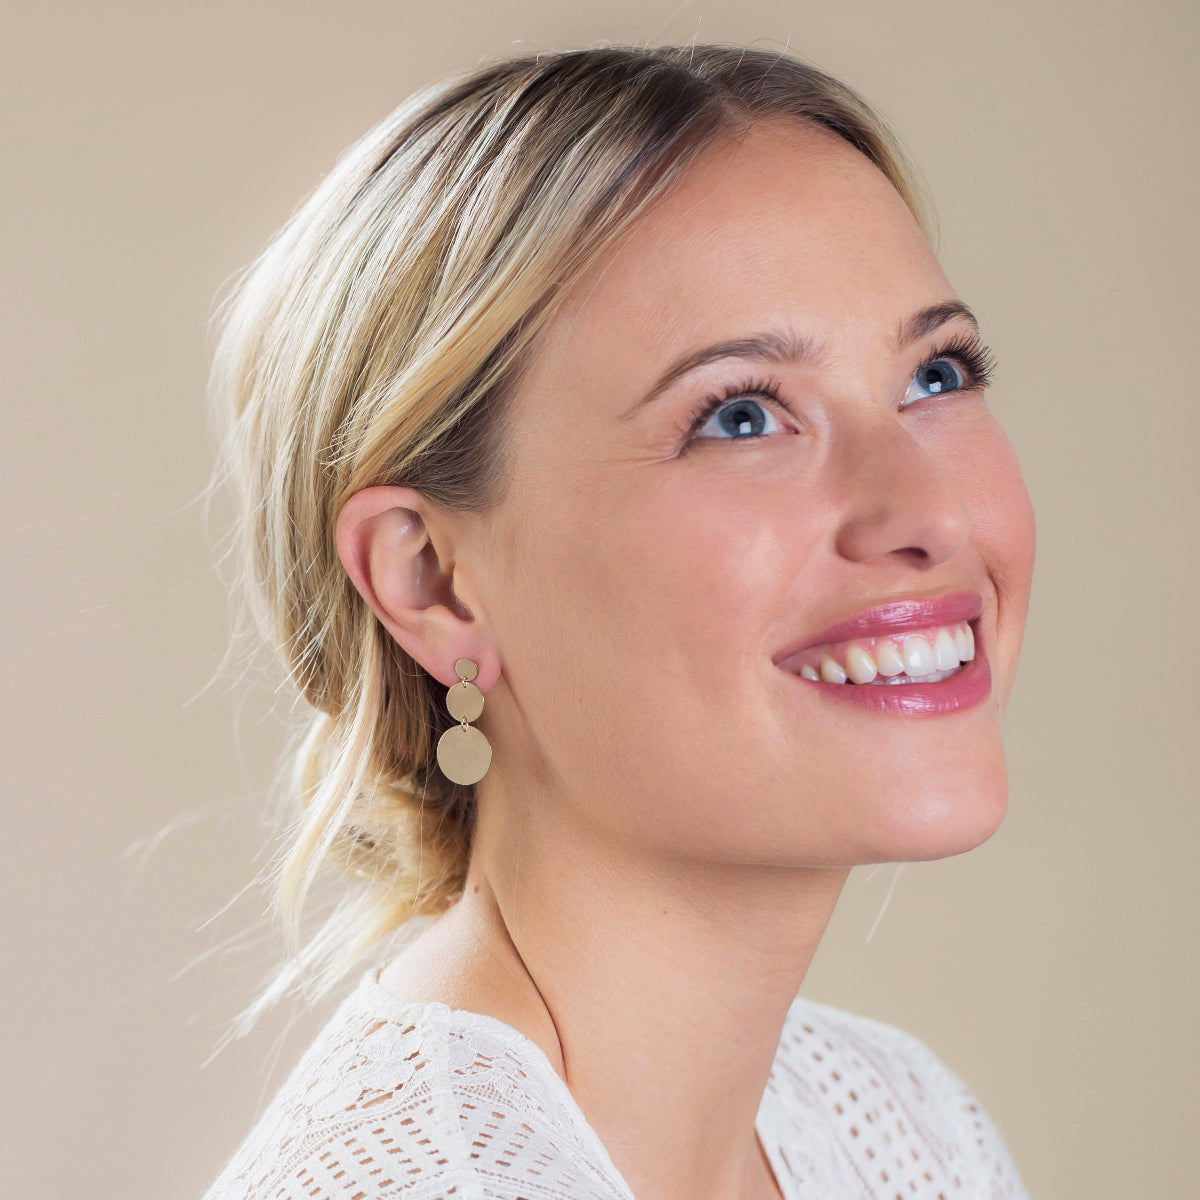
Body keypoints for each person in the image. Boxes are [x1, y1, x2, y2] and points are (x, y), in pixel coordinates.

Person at [201, 43, 1036, 1200]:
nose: (929, 510)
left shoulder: (897, 1123)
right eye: (743, 415)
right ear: (432, 581)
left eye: (937, 376)